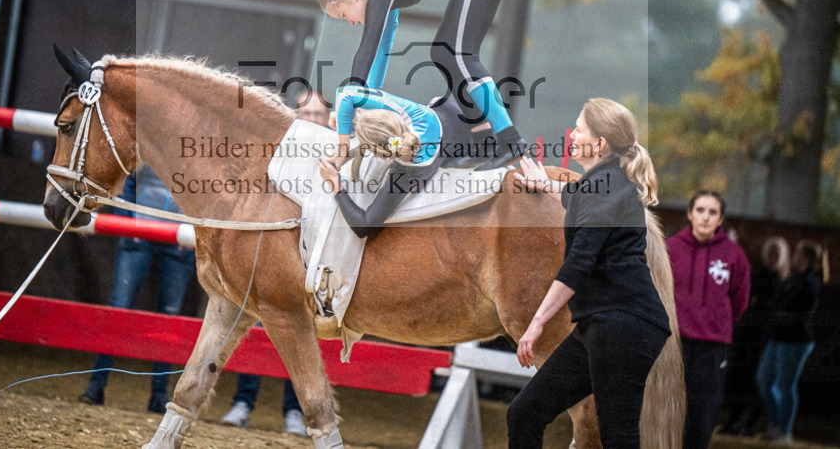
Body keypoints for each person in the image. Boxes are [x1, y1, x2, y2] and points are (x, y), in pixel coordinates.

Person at [506, 98, 671, 448]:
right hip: (602, 325)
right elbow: (579, 196)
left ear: (599, 144)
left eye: (579, 128)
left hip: (624, 326)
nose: (573, 135)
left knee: (618, 438)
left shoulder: (607, 186)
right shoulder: (603, 184)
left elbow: (579, 264)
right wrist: (545, 183)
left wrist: (535, 324)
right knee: (524, 413)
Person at [317, 0, 527, 171]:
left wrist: (350, 99)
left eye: (344, 15)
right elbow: (381, 50)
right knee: (444, 52)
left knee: (459, 53)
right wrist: (363, 101)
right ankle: (484, 143)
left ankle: (510, 141)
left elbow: (367, 48)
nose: (350, 22)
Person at [218, 92, 328, 437]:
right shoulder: (278, 155)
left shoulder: (333, 155)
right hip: (272, 260)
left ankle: (294, 411)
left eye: (317, 114)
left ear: (327, 120)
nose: (311, 119)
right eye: (305, 112)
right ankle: (243, 403)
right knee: (260, 331)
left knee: (302, 338)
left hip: (312, 262)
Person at [79, 165, 198, 414]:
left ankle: (157, 394)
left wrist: (192, 231)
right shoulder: (146, 134)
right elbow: (125, 180)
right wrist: (126, 222)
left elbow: (202, 190)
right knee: (120, 309)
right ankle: (97, 385)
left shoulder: (195, 139)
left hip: (177, 237)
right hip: (146, 233)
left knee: (167, 317)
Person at [316, 83, 472, 238]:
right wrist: (344, 121)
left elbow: (363, 226)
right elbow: (346, 94)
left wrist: (335, 183)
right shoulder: (414, 113)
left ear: (381, 156)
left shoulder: (406, 172)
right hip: (452, 114)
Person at [667, 190, 751, 449]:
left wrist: (716, 325)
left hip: (712, 350)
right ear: (690, 214)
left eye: (712, 212)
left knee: (701, 420)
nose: (705, 217)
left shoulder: (733, 255)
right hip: (672, 345)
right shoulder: (669, 248)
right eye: (700, 210)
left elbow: (740, 301)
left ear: (721, 219)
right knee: (666, 416)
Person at [755, 239, 828, 444]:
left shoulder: (810, 281)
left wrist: (782, 314)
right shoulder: (795, 278)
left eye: (797, 253)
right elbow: (780, 304)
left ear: (805, 258)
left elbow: (800, 312)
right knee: (763, 380)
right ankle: (777, 425)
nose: (794, 256)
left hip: (796, 340)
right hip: (779, 336)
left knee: (786, 384)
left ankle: (785, 431)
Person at [720, 235, 791, 437]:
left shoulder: (786, 283)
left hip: (767, 338)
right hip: (748, 334)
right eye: (770, 251)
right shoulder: (756, 276)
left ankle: (751, 424)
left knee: (759, 381)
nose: (773, 256)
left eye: (777, 252)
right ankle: (734, 421)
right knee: (738, 377)